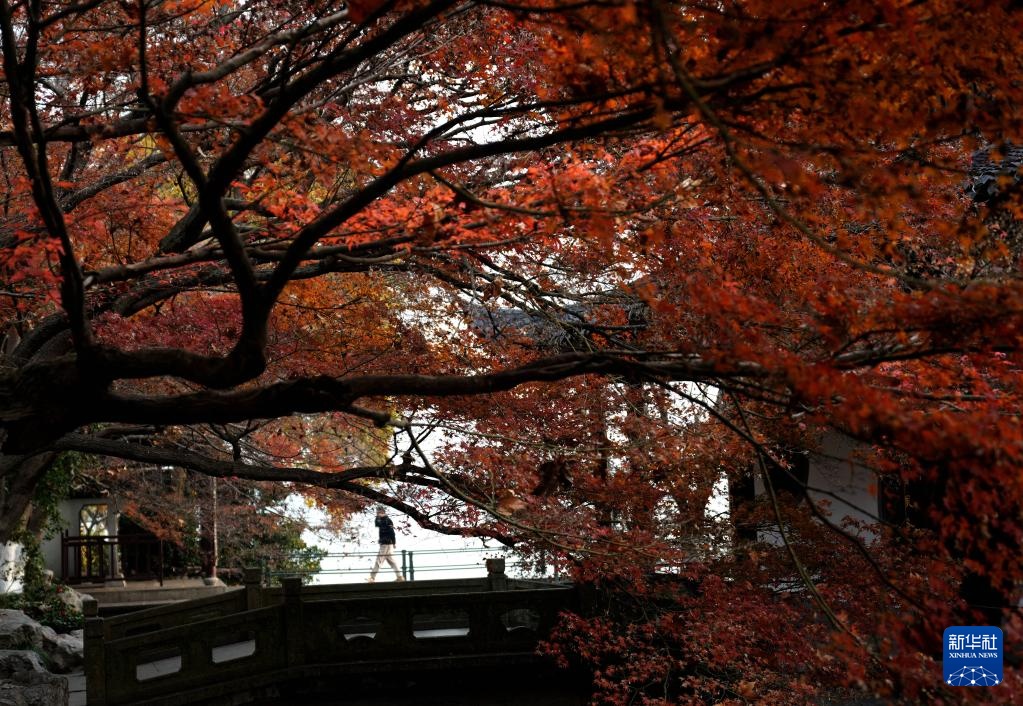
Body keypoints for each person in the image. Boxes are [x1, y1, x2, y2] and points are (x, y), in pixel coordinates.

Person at [368, 507, 404, 582]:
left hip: (386, 544)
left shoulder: (387, 520)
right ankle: (400, 577)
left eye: (378, 513)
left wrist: (394, 542)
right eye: (377, 513)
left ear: (382, 512)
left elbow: (392, 532)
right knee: (392, 561)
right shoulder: (381, 520)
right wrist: (378, 517)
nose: (377, 514)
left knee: (379, 560)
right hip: (386, 544)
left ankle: (372, 577)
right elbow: (377, 524)